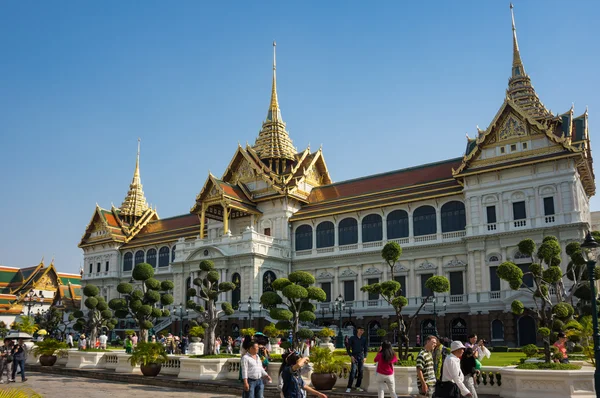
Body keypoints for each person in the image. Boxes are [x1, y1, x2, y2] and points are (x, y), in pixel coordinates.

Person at [346, 326, 368, 393]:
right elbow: (348, 348)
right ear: (357, 330)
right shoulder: (352, 338)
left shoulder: (364, 339)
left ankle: (357, 386)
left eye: (363, 330)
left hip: (361, 356)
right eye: (360, 330)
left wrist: (365, 357)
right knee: (353, 372)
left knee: (360, 372)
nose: (361, 331)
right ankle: (349, 387)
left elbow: (366, 349)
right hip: (354, 356)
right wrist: (351, 356)